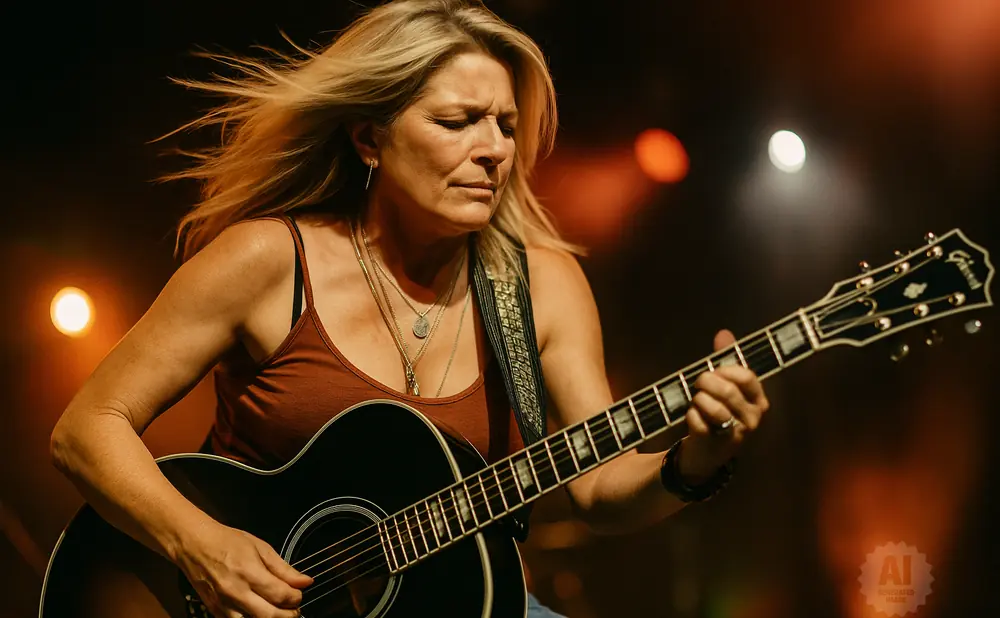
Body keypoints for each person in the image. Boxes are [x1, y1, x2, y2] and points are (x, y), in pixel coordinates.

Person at [49, 1, 770, 616]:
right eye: (459, 121)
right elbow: (87, 428)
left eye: (507, 126)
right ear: (370, 138)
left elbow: (595, 486)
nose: (494, 150)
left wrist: (697, 457)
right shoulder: (267, 261)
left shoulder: (541, 286)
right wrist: (201, 545)